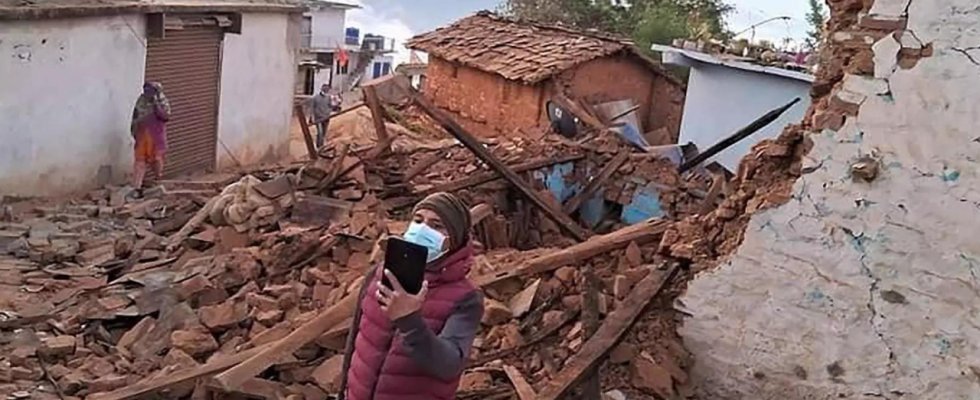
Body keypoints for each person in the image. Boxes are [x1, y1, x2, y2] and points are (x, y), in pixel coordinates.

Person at [339, 192, 484, 400]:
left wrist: (409, 321)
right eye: (418, 220)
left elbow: (449, 365)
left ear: (454, 239)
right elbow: (355, 342)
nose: (423, 229)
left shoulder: (465, 298)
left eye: (436, 226)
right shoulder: (381, 272)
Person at [131, 82, 171, 189]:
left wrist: (155, 104)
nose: (147, 93)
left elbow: (165, 116)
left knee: (156, 160)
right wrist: (134, 131)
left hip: (156, 136)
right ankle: (136, 187)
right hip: (142, 135)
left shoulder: (162, 101)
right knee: (140, 161)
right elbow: (136, 116)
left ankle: (159, 179)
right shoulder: (141, 100)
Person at [310, 83, 341, 149]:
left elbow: (330, 105)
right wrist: (311, 117)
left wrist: (336, 107)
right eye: (325, 89)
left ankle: (321, 147)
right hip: (318, 118)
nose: (326, 90)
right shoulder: (316, 98)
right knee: (320, 133)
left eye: (327, 89)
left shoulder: (328, 97)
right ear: (322, 89)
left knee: (323, 133)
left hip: (326, 117)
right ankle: (319, 146)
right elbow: (312, 108)